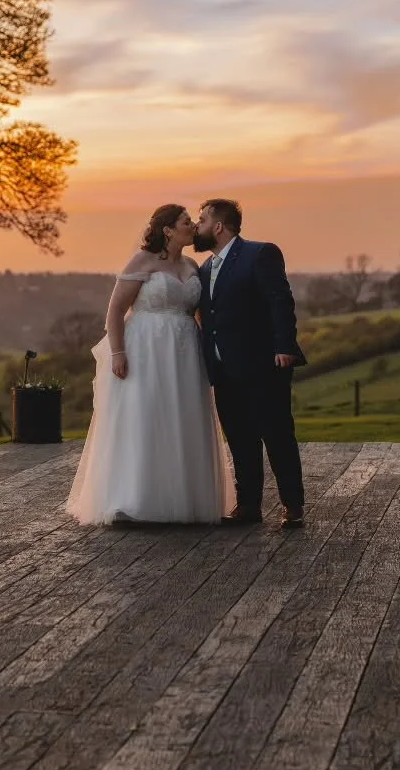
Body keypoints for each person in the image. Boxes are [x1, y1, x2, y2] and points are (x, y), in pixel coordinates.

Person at [64, 204, 234, 525]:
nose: (193, 227)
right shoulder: (143, 261)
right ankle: (134, 499)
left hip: (184, 350)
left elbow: (200, 313)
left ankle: (183, 499)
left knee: (182, 416)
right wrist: (117, 353)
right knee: (147, 414)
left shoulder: (192, 265)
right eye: (186, 222)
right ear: (168, 230)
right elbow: (115, 311)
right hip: (145, 347)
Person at [192, 198, 307, 529]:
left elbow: (280, 301)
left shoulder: (260, 254)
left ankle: (293, 504)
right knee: (240, 438)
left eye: (201, 221)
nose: (197, 227)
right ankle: (249, 506)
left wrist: (284, 346)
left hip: (263, 365)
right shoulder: (204, 269)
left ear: (218, 226)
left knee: (277, 434)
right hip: (223, 370)